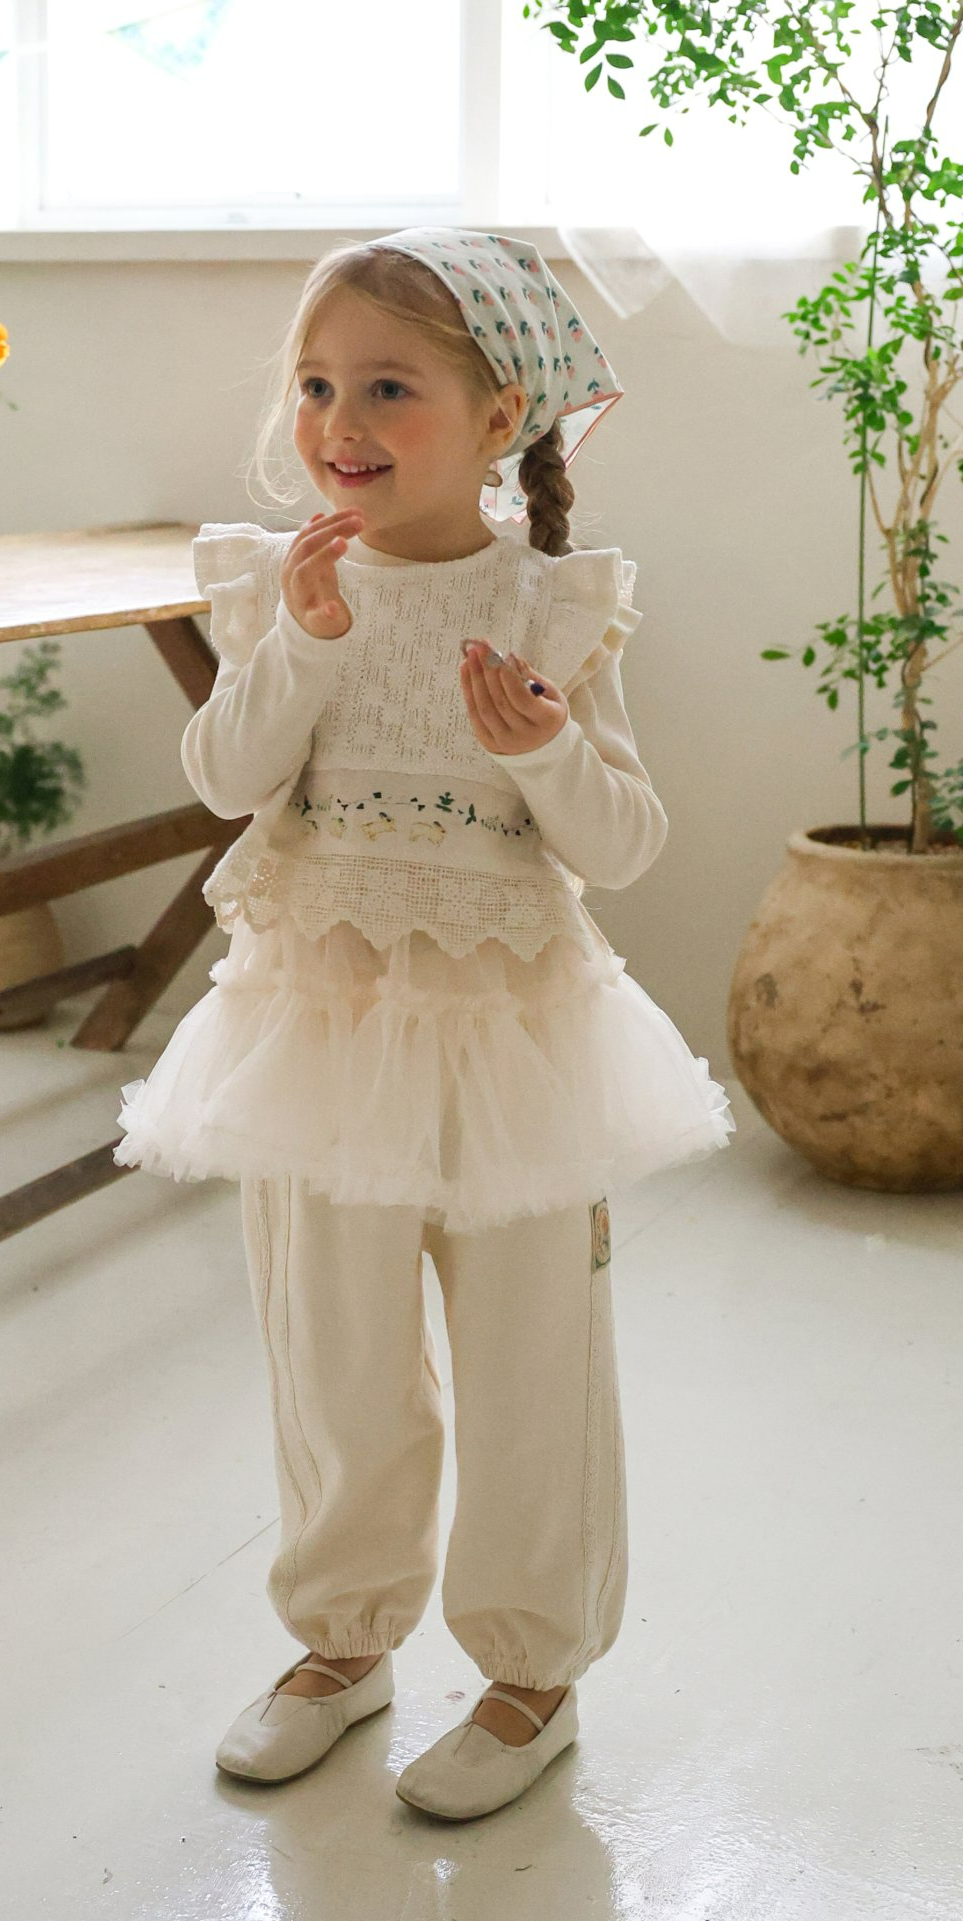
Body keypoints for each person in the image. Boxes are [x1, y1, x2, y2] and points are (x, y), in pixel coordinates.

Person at [113, 228, 735, 1821]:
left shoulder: (554, 604)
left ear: (498, 413)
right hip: (318, 1025)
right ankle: (341, 1642)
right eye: (319, 385)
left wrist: (540, 751)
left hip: (509, 1037)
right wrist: (306, 644)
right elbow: (225, 777)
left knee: (533, 1358)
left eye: (389, 387)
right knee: (334, 1350)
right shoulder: (284, 585)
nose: (343, 421)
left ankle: (533, 1677)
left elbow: (623, 845)